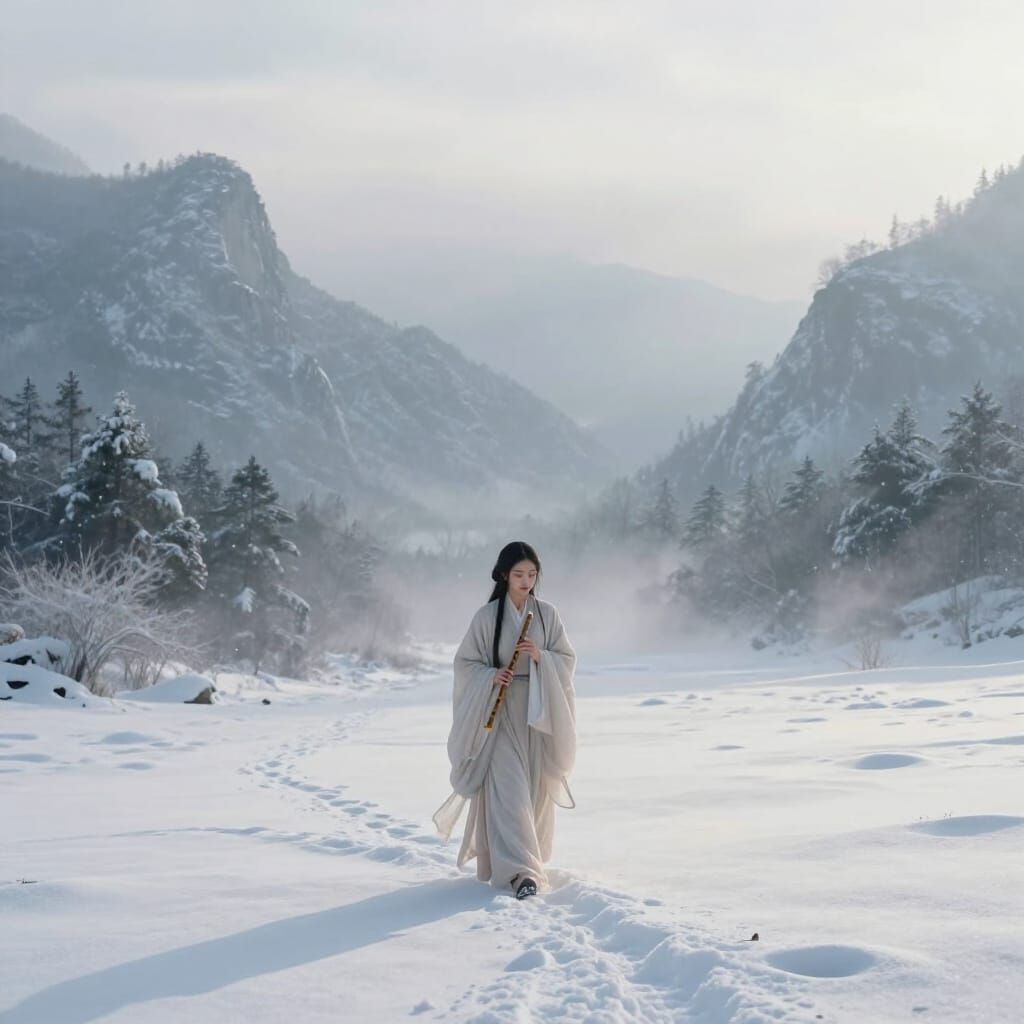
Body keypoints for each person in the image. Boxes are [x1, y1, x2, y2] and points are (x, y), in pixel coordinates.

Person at [432, 541, 577, 899]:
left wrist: (541, 656)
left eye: (531, 574)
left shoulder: (547, 615)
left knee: (532, 791)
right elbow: (465, 664)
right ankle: (520, 873)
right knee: (508, 793)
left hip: (537, 712)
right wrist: (490, 677)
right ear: (503, 575)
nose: (526, 581)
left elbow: (567, 659)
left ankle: (528, 860)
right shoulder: (486, 617)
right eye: (519, 574)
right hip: (499, 716)